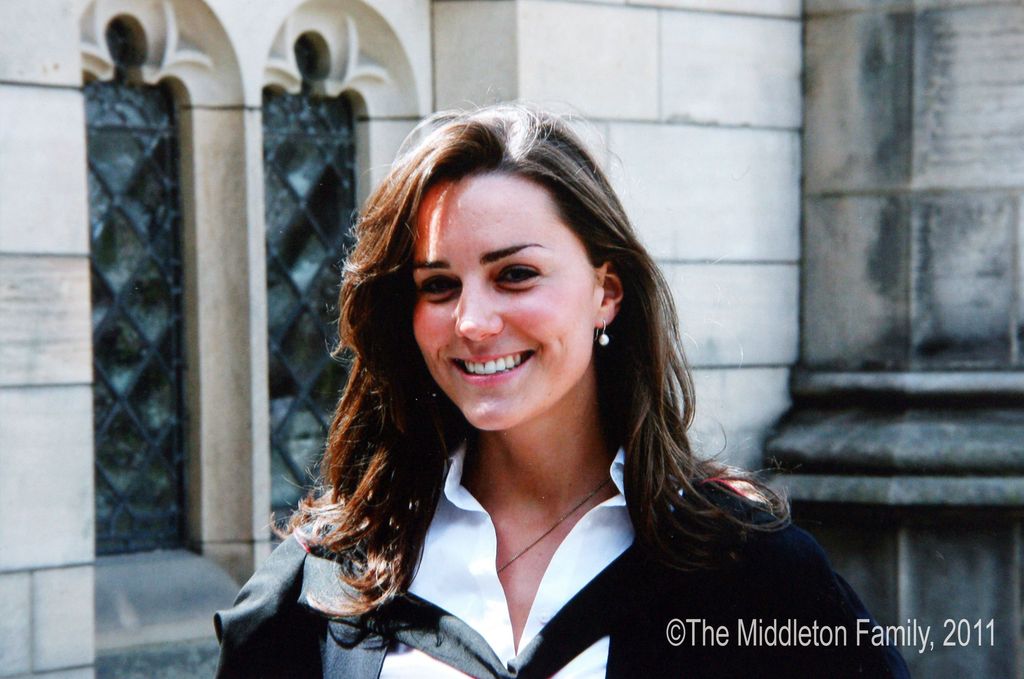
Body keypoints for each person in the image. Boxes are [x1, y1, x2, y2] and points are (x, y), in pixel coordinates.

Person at [214, 104, 909, 678]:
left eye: (515, 274)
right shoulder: (334, 576)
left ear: (606, 291)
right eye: (438, 285)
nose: (474, 322)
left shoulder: (748, 572)